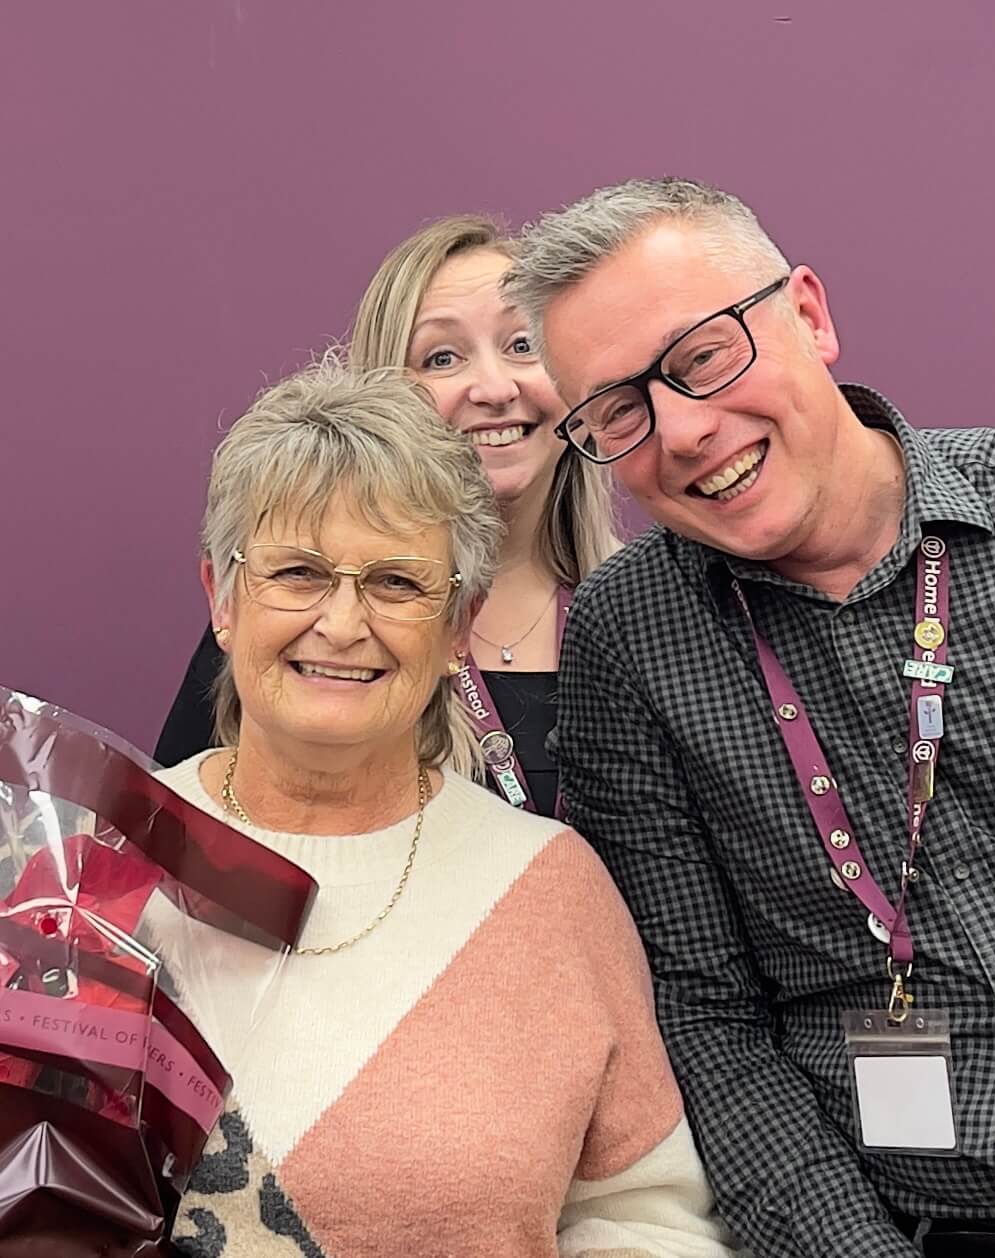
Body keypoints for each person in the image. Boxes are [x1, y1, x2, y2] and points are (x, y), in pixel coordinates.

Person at [504, 176, 995, 1256]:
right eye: (620, 411)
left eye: (704, 355)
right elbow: (702, 1014)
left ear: (807, 312)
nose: (681, 431)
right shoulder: (629, 640)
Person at [159, 357, 736, 1257]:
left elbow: (647, 1213)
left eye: (396, 583)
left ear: (457, 625)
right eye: (299, 573)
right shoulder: (101, 854)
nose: (343, 625)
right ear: (222, 599)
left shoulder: (547, 888)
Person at [154, 216, 618, 813]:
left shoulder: (643, 616)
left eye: (522, 345)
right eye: (443, 357)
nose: (495, 387)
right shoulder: (287, 618)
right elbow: (173, 844)